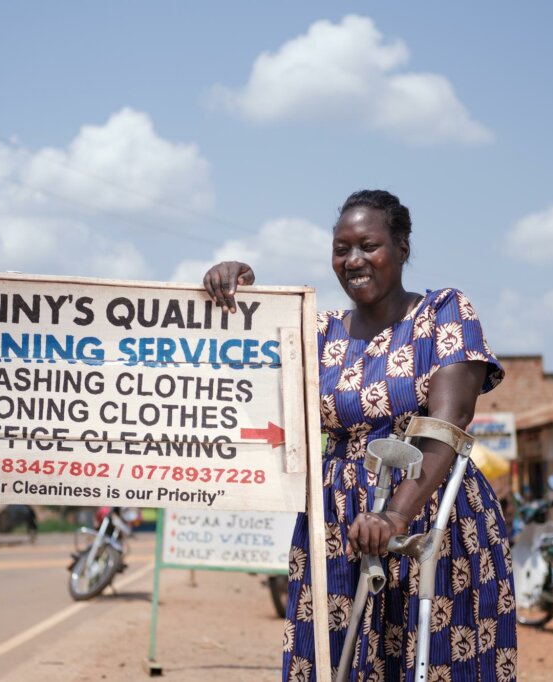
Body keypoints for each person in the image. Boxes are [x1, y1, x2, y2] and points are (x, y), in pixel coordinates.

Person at [203, 190, 515, 682]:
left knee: (428, 661)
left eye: (368, 245)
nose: (353, 261)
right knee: (335, 661)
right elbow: (237, 375)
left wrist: (394, 515)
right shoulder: (319, 332)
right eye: (341, 248)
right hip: (336, 527)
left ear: (402, 248)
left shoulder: (443, 314)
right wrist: (240, 296)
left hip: (430, 517)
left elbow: (447, 426)